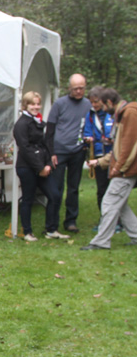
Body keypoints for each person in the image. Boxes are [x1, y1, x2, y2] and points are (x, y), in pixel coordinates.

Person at [81, 98, 137, 250]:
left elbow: (128, 148)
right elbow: (120, 149)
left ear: (109, 102)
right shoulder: (125, 112)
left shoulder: (129, 113)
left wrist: (118, 168)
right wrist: (100, 162)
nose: (103, 110)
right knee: (121, 203)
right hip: (126, 168)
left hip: (126, 170)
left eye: (102, 106)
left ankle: (101, 241)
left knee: (109, 202)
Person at [45, 73, 91, 233]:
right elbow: (49, 130)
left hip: (78, 151)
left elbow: (90, 127)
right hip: (59, 152)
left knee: (73, 187)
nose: (79, 91)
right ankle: (53, 222)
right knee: (56, 188)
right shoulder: (59, 104)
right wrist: (51, 152)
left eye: (81, 88)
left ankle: (71, 221)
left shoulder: (88, 105)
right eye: (75, 88)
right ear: (69, 88)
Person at [13, 91, 55, 241]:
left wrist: (49, 163)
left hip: (41, 165)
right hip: (26, 167)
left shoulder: (37, 121)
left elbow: (44, 144)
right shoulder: (21, 124)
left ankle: (51, 229)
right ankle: (27, 232)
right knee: (28, 199)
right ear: (25, 105)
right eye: (33, 104)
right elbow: (25, 149)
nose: (36, 107)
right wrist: (40, 168)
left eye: (38, 104)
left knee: (53, 195)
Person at [83, 86, 113, 217]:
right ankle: (104, 218)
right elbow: (87, 132)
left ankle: (117, 220)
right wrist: (88, 138)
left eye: (96, 101)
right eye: (92, 102)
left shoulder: (112, 114)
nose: (94, 104)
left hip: (113, 156)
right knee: (101, 189)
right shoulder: (90, 115)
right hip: (98, 155)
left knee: (114, 190)